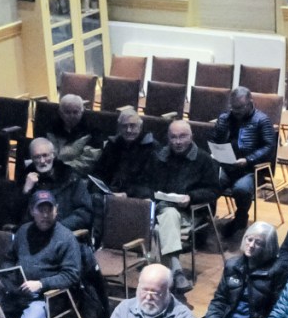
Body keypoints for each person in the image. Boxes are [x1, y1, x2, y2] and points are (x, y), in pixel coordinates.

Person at [0, 190, 81, 318]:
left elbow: (72, 275)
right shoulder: (23, 231)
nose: (45, 215)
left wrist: (42, 283)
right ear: (32, 211)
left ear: (56, 211)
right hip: (18, 291)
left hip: (49, 296)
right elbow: (8, 258)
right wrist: (7, 276)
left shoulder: (66, 238)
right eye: (40, 210)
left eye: (49, 210)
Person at [148, 120, 221, 292]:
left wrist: (191, 197)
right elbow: (148, 183)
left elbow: (213, 191)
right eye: (173, 137)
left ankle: (164, 279)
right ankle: (176, 273)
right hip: (160, 207)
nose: (178, 142)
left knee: (161, 228)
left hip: (191, 211)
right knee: (168, 214)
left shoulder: (203, 159)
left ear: (191, 137)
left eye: (182, 137)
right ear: (168, 138)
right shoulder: (160, 156)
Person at [202, 222, 288, 318]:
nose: (251, 245)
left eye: (258, 243)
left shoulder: (278, 271)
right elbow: (219, 301)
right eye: (249, 239)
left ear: (268, 247)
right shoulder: (233, 265)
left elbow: (276, 312)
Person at [214, 87, 277, 238]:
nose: (236, 112)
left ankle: (240, 219)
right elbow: (215, 138)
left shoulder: (262, 120)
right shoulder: (225, 118)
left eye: (239, 108)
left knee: (241, 189)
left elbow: (269, 147)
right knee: (210, 183)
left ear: (250, 103)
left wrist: (249, 159)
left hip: (251, 169)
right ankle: (204, 218)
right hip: (227, 166)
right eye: (233, 108)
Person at [21, 137, 93, 232]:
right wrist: (26, 191)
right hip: (33, 234)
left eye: (45, 155)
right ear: (31, 158)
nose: (42, 161)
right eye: (37, 157)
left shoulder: (71, 177)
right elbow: (16, 216)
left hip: (64, 234)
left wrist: (58, 228)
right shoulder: (26, 178)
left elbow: (85, 213)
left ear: (53, 155)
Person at [92, 109, 157, 199]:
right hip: (110, 193)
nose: (128, 130)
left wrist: (127, 193)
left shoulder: (150, 147)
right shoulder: (112, 144)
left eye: (132, 126)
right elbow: (99, 172)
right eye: (124, 126)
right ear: (119, 128)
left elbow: (151, 183)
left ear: (140, 127)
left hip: (137, 197)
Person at [44, 94, 101, 176]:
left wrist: (62, 169)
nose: (72, 116)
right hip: (49, 169)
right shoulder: (52, 127)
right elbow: (45, 150)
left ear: (82, 111)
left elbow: (88, 161)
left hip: (76, 174)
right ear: (60, 113)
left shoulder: (93, 130)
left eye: (75, 112)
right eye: (67, 112)